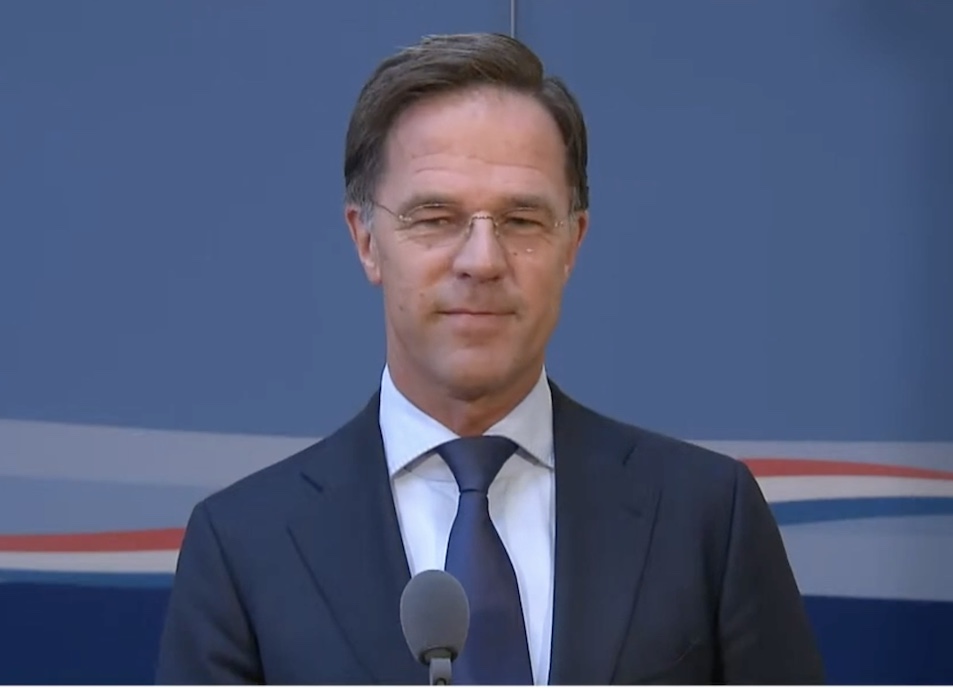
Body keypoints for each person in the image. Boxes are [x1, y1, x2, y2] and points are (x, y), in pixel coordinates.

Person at [155, 32, 824, 685]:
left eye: (522, 221)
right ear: (366, 241)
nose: (482, 261)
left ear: (573, 244)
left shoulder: (705, 517)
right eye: (436, 218)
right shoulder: (245, 544)